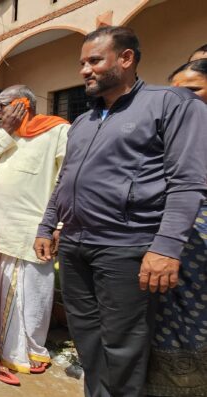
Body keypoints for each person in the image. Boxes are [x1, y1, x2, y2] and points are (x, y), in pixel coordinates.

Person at [35, 26, 207, 396]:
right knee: (89, 341)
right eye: (82, 63)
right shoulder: (83, 121)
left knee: (123, 346)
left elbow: (187, 182)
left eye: (94, 60)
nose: (84, 70)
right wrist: (46, 226)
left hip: (125, 247)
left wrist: (165, 247)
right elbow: (65, 181)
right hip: (76, 246)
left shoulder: (171, 103)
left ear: (126, 59)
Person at [0, 85, 69, 377]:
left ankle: (29, 351)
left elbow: (67, 181)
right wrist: (6, 133)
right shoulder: (3, 137)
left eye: (2, 106)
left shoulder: (58, 132)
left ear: (23, 104)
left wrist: (58, 225)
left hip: (32, 232)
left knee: (30, 297)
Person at [146, 57, 207, 396]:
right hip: (168, 250)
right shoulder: (164, 135)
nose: (184, 99)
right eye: (176, 92)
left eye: (194, 90)